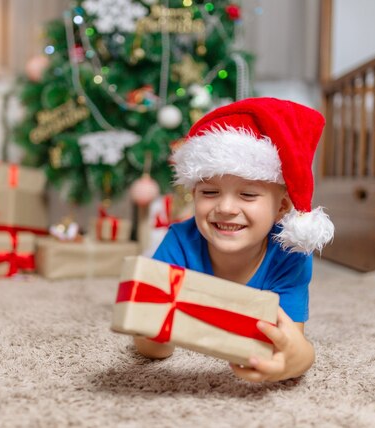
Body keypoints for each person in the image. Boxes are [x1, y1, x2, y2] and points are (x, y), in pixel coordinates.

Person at [134, 97, 334, 383]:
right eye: (209, 193)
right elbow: (149, 343)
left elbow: (293, 342)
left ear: (282, 207)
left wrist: (298, 361)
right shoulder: (179, 241)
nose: (225, 208)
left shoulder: (290, 254)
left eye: (248, 194)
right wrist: (154, 336)